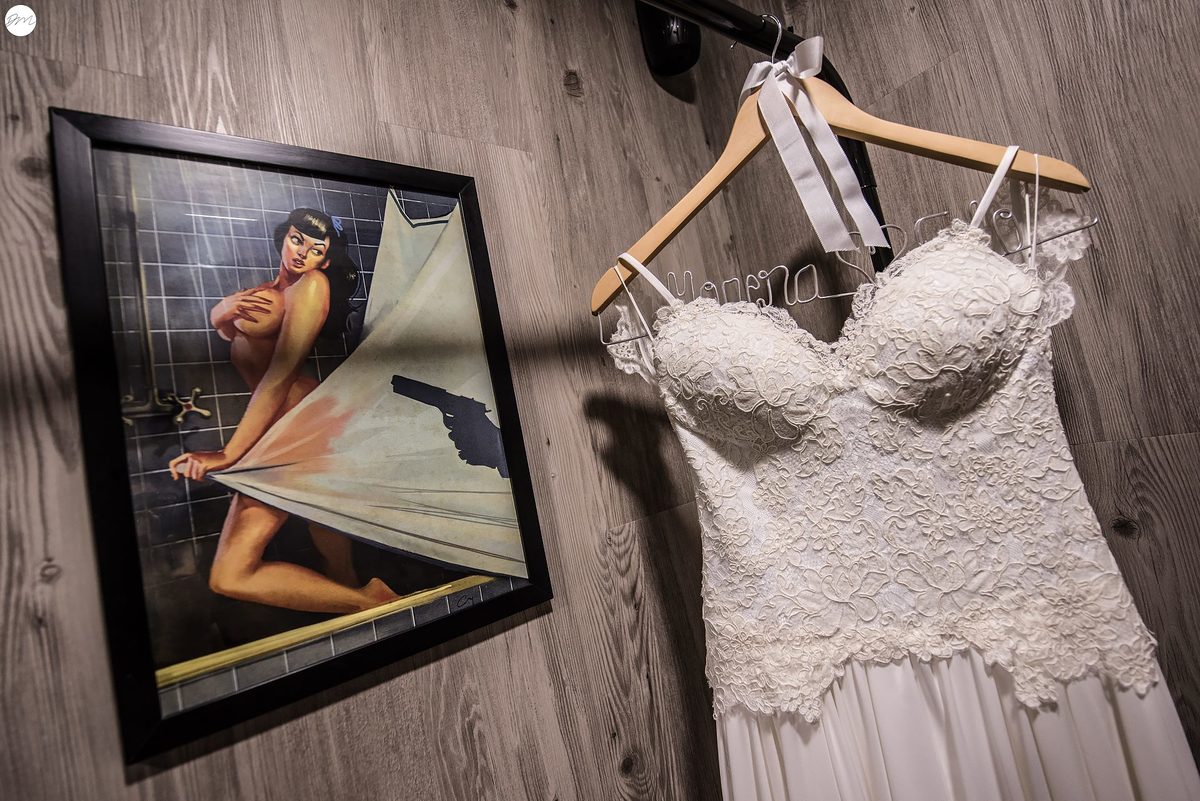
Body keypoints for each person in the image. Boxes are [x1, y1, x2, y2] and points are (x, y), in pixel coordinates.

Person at [169, 208, 398, 614]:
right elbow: (235, 337)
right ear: (284, 237)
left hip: (301, 428)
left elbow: (279, 377)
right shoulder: (269, 290)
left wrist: (228, 454)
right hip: (297, 424)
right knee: (326, 535)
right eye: (297, 240)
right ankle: (360, 600)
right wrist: (222, 312)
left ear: (324, 261)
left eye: (315, 250)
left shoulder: (311, 286)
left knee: (230, 575)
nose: (302, 253)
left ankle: (371, 602)